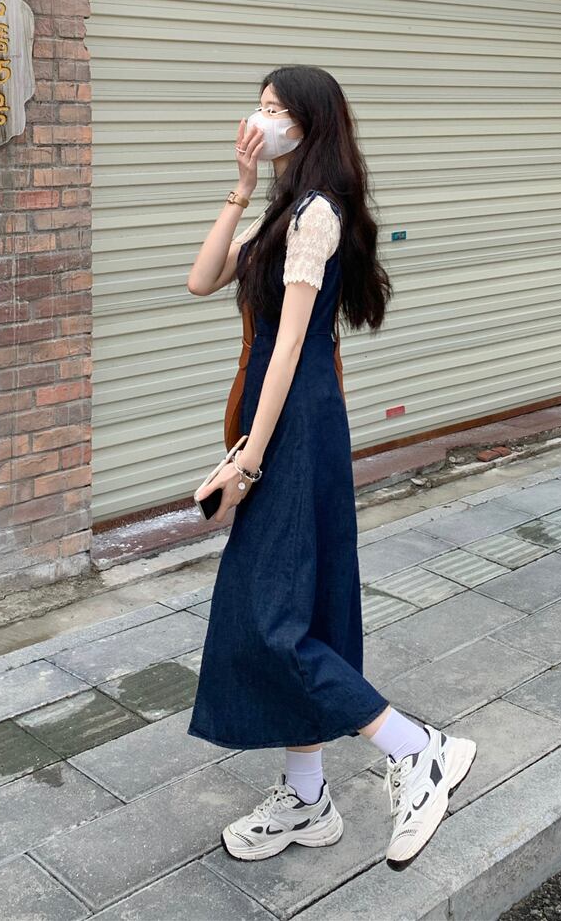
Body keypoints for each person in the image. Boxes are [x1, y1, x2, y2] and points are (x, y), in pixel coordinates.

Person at [186, 65, 476, 871]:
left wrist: (249, 459)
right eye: (259, 106)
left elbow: (289, 347)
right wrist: (241, 188)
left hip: (296, 424)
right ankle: (309, 798)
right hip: (282, 419)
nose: (260, 119)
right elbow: (201, 279)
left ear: (309, 125)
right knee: (300, 610)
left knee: (268, 620)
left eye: (275, 109)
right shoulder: (282, 209)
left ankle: (417, 750)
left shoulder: (317, 215)